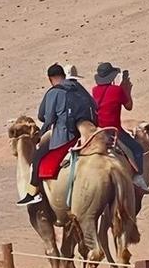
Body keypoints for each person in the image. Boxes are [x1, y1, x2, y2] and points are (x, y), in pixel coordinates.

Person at [17, 63, 98, 206]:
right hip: (88, 134)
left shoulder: (53, 92)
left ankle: (33, 193)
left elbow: (46, 118)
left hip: (66, 136)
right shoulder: (80, 88)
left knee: (37, 158)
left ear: (50, 79)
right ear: (64, 76)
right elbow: (94, 107)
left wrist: (41, 135)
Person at [92, 62, 149, 193]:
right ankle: (138, 178)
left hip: (98, 131)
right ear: (112, 77)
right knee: (137, 149)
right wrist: (126, 91)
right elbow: (129, 106)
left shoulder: (94, 90)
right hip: (114, 131)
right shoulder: (117, 90)